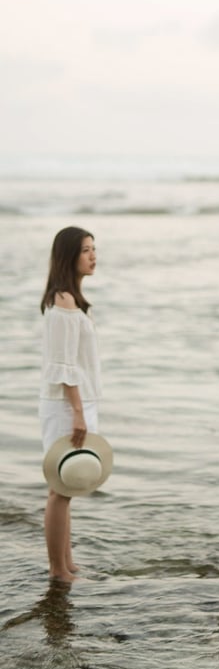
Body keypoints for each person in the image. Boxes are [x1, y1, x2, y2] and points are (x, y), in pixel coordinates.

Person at [39, 226, 101, 582]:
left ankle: (67, 561)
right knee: (60, 488)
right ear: (69, 256)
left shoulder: (72, 300)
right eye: (86, 250)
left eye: (94, 249)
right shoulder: (63, 301)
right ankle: (58, 569)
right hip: (66, 405)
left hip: (78, 402)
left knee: (67, 486)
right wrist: (77, 412)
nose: (93, 256)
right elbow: (63, 366)